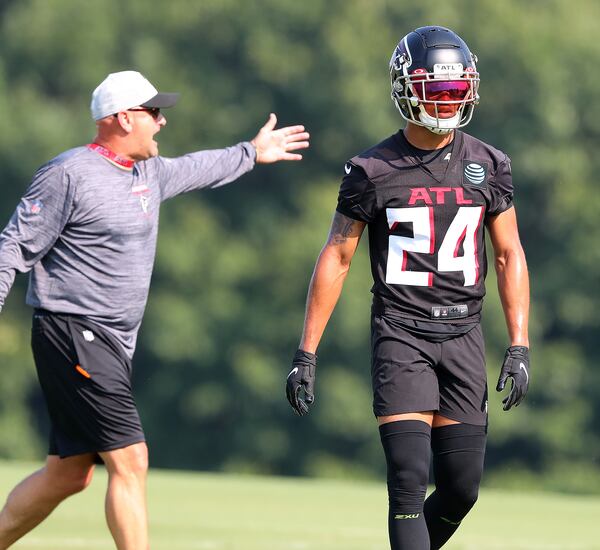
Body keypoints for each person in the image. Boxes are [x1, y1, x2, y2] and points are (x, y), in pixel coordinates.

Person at [0, 69, 309, 550]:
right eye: (155, 112)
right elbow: (12, 248)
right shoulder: (67, 174)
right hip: (74, 331)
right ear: (123, 118)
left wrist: (252, 152)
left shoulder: (149, 173)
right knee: (132, 458)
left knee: (69, 474)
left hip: (111, 343)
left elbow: (200, 166)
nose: (162, 122)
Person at [286, 26, 529, 550]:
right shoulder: (371, 169)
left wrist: (519, 342)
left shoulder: (489, 163)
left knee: (462, 487)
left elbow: (509, 254)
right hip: (401, 333)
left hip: (464, 333)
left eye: (456, 90)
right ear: (405, 87)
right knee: (408, 481)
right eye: (437, 91)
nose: (448, 102)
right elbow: (338, 255)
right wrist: (306, 352)